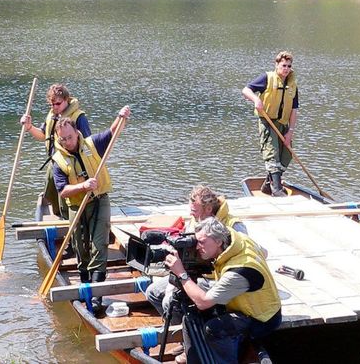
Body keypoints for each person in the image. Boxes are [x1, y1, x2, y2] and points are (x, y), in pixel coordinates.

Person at [165, 218, 282, 364]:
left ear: (219, 241)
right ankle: (194, 357)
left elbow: (203, 302)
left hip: (261, 318)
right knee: (192, 312)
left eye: (201, 242)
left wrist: (181, 273)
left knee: (214, 329)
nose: (197, 247)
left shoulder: (239, 271)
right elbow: (264, 252)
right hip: (248, 303)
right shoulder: (240, 240)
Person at [51, 106, 130, 311]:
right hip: (77, 205)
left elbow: (113, 132)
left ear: (76, 132)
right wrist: (83, 186)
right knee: (80, 247)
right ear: (59, 140)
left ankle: (96, 296)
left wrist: (120, 116)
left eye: (70, 137)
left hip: (99, 200)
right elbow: (63, 190)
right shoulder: (58, 161)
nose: (68, 142)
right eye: (64, 140)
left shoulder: (91, 143)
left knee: (99, 245)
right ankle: (84, 286)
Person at [145, 185, 247, 319]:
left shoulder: (234, 226)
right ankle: (179, 328)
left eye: (195, 211)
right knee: (152, 292)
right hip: (192, 271)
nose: (191, 214)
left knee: (169, 302)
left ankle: (189, 334)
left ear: (209, 208)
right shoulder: (196, 220)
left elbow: (243, 255)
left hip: (217, 278)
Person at [20, 83, 92, 219]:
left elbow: (88, 144)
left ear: (66, 99)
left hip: (72, 163)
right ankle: (58, 215)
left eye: (57, 104)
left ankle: (69, 220)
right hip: (55, 162)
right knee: (50, 191)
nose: (54, 107)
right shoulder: (53, 115)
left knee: (67, 197)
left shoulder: (79, 118)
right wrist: (29, 127)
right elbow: (43, 135)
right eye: (51, 105)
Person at [242, 51, 299, 197]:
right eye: (283, 65)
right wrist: (256, 100)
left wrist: (290, 131)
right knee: (272, 153)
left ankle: (268, 184)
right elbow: (246, 90)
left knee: (286, 154)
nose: (286, 69)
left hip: (282, 124)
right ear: (277, 65)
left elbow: (294, 110)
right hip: (267, 121)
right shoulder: (267, 78)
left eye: (289, 66)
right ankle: (277, 189)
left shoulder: (292, 85)